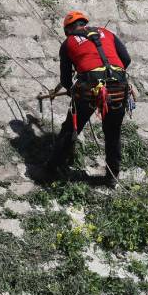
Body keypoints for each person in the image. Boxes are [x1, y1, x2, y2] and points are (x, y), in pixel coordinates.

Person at [40, 10, 132, 186]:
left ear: (68, 30)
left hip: (89, 89)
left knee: (70, 129)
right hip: (118, 87)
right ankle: (112, 176)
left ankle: (51, 170)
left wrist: (73, 88)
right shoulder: (107, 34)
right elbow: (126, 59)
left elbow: (66, 80)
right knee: (113, 133)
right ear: (85, 23)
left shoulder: (68, 43)